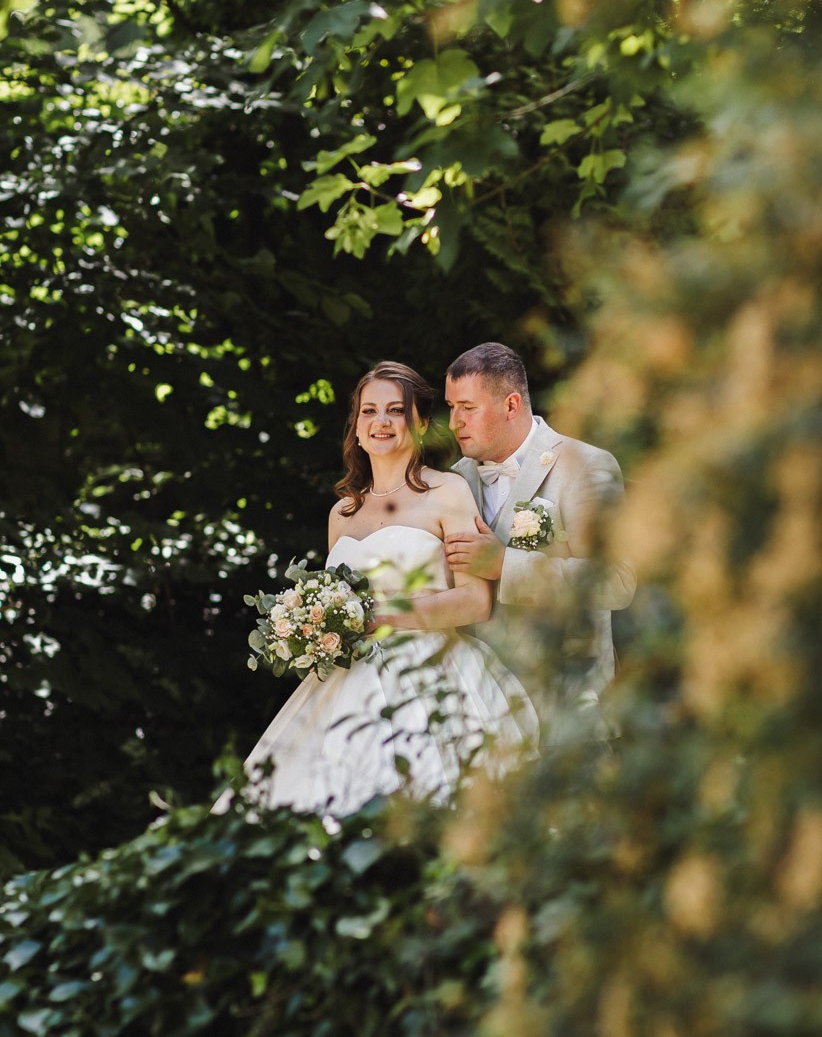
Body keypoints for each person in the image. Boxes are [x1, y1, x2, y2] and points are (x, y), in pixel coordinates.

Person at [220, 362, 537, 815]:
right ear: (357, 426)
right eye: (369, 411)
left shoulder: (448, 492)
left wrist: (378, 617)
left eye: (395, 410)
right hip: (347, 678)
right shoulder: (342, 513)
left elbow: (476, 600)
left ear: (421, 423)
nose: (381, 422)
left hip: (430, 674)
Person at [444, 342, 635, 721]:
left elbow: (616, 581)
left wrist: (506, 564)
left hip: (565, 709)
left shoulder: (585, 466)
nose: (454, 423)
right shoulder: (455, 479)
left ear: (511, 405)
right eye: (452, 408)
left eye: (467, 408)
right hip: (480, 711)